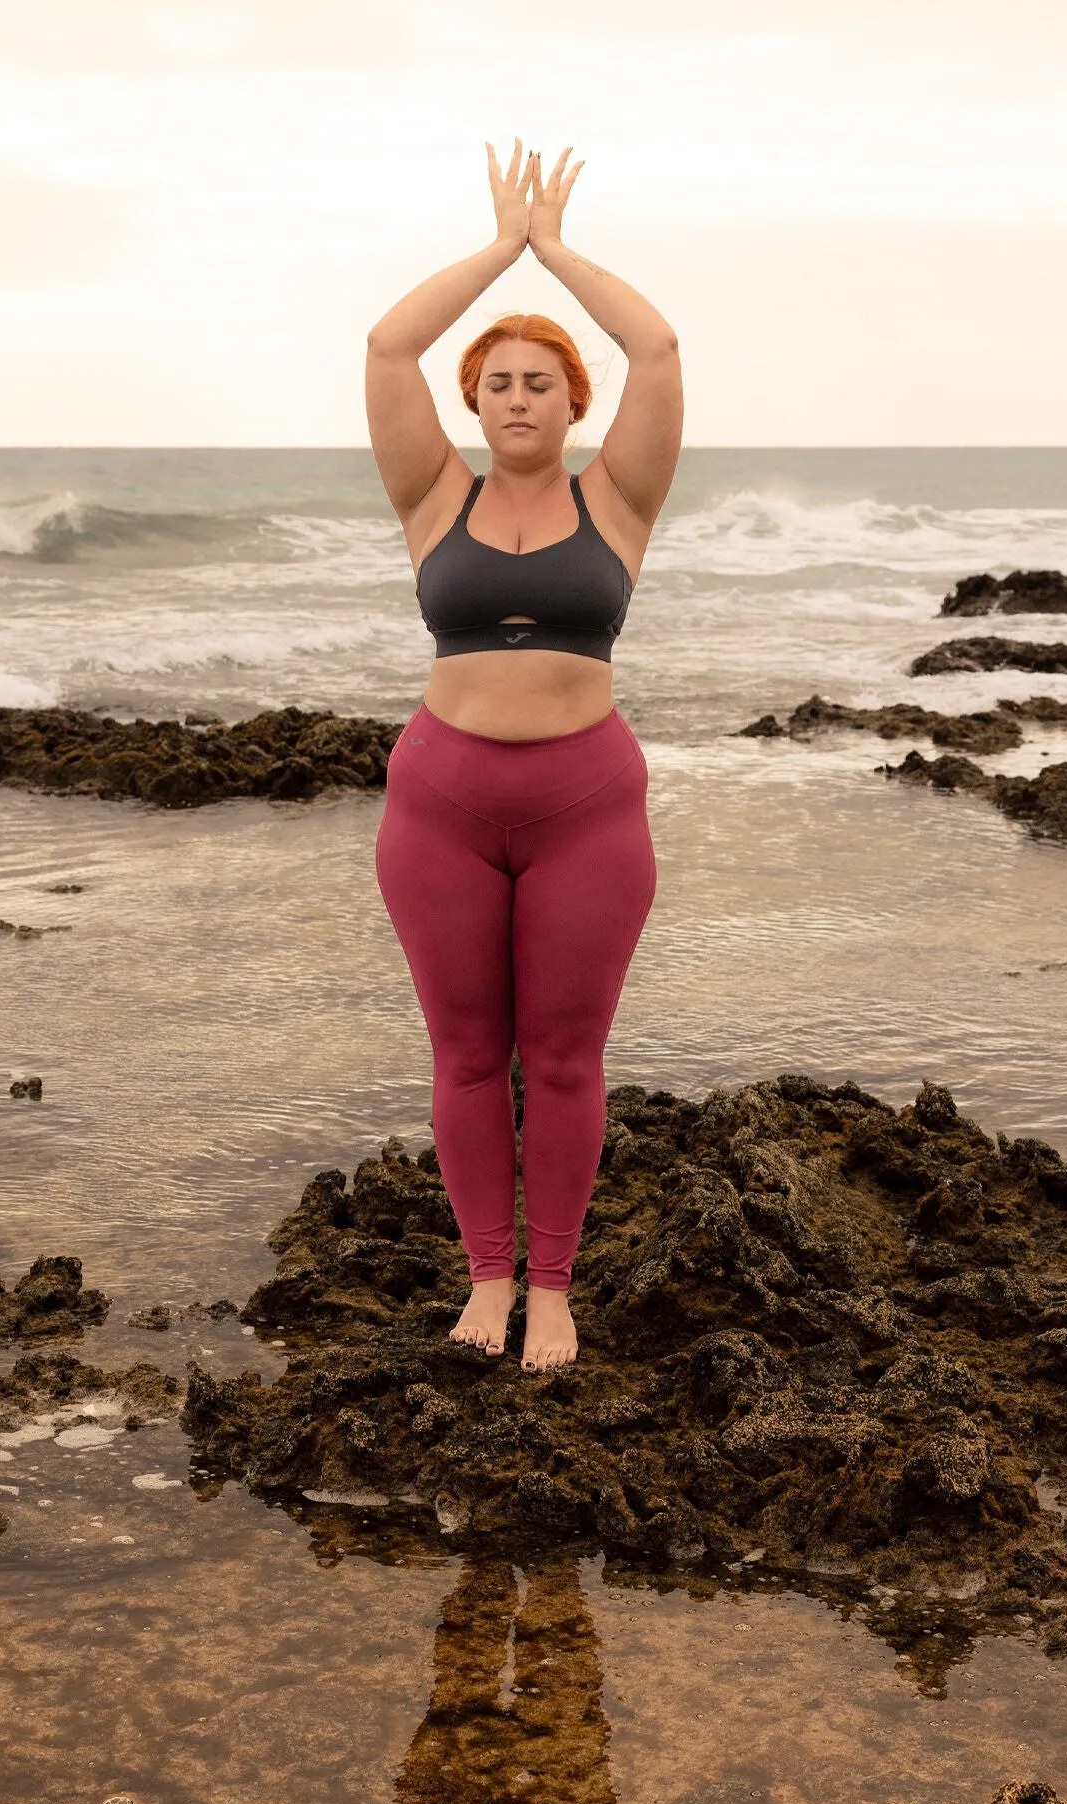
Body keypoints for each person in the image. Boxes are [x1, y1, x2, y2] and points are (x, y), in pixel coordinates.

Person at [365, 141, 683, 1373]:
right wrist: (495, 252)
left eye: (537, 381)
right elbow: (390, 349)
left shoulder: (619, 501)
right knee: (461, 1052)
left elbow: (654, 349)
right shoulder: (427, 493)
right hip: (439, 801)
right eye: (494, 381)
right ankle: (485, 1274)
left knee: (560, 1055)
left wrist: (556, 255)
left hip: (584, 805)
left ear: (570, 403)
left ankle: (552, 1283)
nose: (513, 397)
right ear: (473, 402)